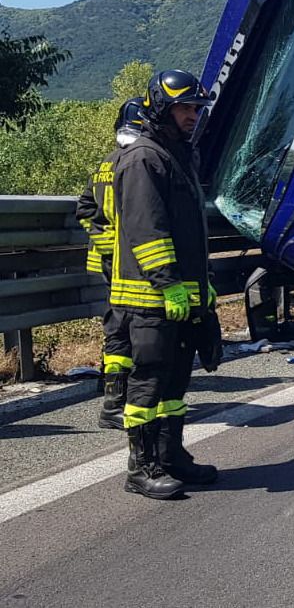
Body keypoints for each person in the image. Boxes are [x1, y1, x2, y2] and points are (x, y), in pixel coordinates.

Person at [111, 69, 220, 499]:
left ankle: (171, 455)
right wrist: (169, 283)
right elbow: (148, 230)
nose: (193, 115)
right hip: (151, 296)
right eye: (185, 108)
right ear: (161, 108)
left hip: (180, 296)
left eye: (196, 108)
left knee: (175, 384)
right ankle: (141, 468)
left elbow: (190, 232)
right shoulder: (143, 158)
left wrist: (202, 286)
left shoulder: (177, 155)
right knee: (149, 381)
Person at [76, 97, 145, 429]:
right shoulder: (138, 162)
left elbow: (85, 209)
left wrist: (104, 242)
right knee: (127, 328)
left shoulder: (107, 162)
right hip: (131, 264)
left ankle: (115, 393)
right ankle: (118, 401)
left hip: (112, 262)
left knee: (118, 325)